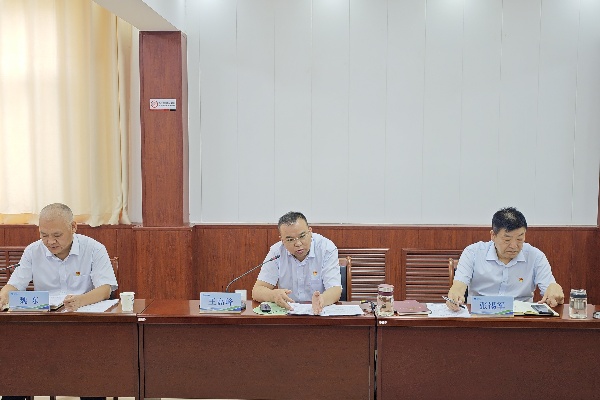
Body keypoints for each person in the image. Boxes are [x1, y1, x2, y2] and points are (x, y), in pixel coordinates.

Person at [0, 203, 118, 400]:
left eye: (57, 235)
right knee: (14, 361)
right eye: (44, 235)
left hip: (84, 325)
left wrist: (80, 301)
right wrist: (4, 295)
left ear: (73, 227)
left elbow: (106, 289)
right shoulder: (32, 251)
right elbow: (14, 285)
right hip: (44, 325)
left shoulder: (94, 249)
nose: (50, 241)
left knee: (93, 371)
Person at [446, 207, 564, 311]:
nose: (514, 246)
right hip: (480, 317)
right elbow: (458, 286)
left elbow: (550, 289)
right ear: (493, 235)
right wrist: (455, 295)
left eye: (519, 239)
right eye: (507, 240)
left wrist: (554, 290)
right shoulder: (473, 253)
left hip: (521, 320)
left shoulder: (535, 256)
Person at [252, 211, 342, 314]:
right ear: (282, 240)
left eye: (302, 236)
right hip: (288, 314)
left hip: (319, 313)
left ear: (310, 232)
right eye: (290, 239)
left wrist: (322, 300)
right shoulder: (277, 252)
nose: (298, 244)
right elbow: (257, 291)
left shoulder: (326, 248)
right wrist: (273, 295)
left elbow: (335, 289)